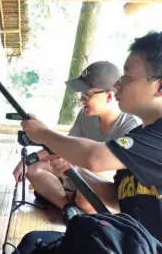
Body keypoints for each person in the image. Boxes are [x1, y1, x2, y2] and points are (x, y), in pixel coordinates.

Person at [20, 30, 162, 254]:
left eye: (127, 77)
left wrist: (44, 134)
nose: (118, 84)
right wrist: (74, 171)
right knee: (33, 242)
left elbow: (95, 157)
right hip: (132, 244)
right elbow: (115, 195)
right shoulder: (140, 135)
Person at [13, 61, 140, 213]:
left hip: (103, 187)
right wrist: (28, 160)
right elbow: (63, 147)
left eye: (87, 94)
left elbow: (115, 181)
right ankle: (67, 207)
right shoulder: (86, 115)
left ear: (108, 96)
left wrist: (76, 164)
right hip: (75, 172)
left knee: (84, 197)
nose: (81, 100)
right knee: (33, 170)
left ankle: (70, 200)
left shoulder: (131, 127)